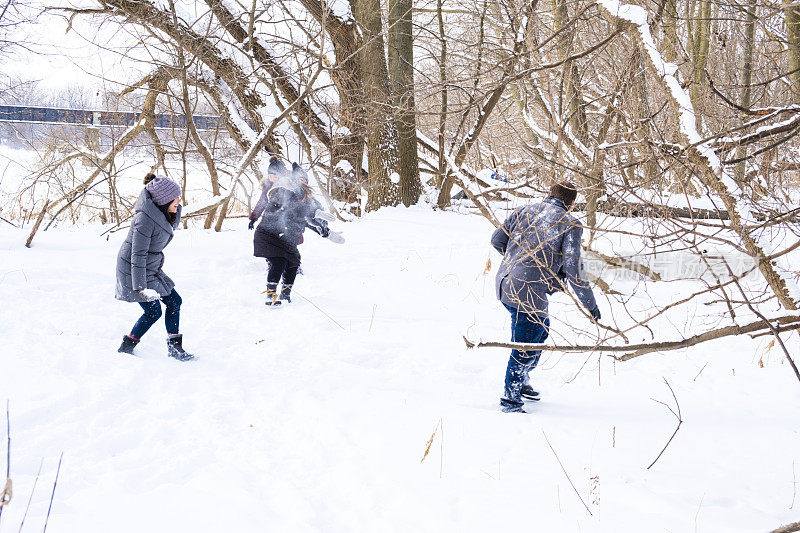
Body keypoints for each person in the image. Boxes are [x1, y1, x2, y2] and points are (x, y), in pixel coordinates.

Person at [491, 182, 600, 413]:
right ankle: (510, 401)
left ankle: (523, 381)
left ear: (548, 194)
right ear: (571, 205)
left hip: (504, 283)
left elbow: (497, 240)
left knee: (541, 330)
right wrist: (591, 305)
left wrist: (517, 260)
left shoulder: (524, 210)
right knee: (526, 345)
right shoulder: (569, 223)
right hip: (527, 291)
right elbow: (573, 269)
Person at [116, 173, 194, 361]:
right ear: (163, 200)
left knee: (175, 302)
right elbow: (138, 255)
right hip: (133, 269)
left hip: (150, 267)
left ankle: (175, 349)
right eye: (175, 198)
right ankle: (126, 347)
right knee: (153, 311)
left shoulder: (164, 213)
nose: (179, 201)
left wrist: (175, 206)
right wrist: (140, 287)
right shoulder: (144, 219)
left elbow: (170, 222)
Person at [251, 162, 331, 306]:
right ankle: (271, 296)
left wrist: (324, 230)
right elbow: (296, 208)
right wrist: (253, 218)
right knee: (278, 261)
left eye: (305, 180)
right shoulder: (284, 192)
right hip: (270, 233)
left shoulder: (306, 197)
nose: (303, 182)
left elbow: (307, 219)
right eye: (300, 179)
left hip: (285, 236)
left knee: (293, 261)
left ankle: (285, 294)